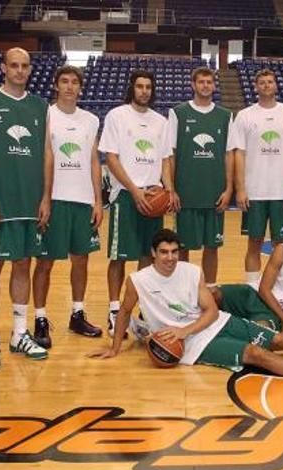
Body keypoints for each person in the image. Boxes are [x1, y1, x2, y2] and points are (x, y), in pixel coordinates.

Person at [93, 229, 283, 385]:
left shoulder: (191, 271)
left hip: (212, 323)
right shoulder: (138, 281)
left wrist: (185, 329)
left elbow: (211, 311)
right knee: (255, 353)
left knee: (277, 339)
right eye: (164, 252)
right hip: (193, 345)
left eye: (174, 252)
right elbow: (125, 313)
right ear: (153, 253)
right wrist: (115, 347)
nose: (169, 258)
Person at [0, 47, 51, 368]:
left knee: (23, 265)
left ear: (30, 70)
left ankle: (19, 332)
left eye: (24, 66)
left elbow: (47, 153)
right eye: (13, 65)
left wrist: (46, 197)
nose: (19, 70)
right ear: (3, 68)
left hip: (31, 202)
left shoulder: (40, 106)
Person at [30, 65, 104, 348]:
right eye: (65, 81)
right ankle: (40, 318)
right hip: (55, 199)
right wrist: (44, 198)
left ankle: (77, 313)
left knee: (81, 260)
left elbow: (94, 162)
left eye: (75, 82)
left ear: (80, 88)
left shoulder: (90, 120)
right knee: (45, 262)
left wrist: (98, 201)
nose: (70, 86)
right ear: (55, 85)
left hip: (83, 199)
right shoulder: (45, 116)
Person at [99, 70, 169, 336]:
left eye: (148, 87)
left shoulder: (161, 121)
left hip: (154, 195)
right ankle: (115, 309)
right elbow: (111, 158)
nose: (144, 91)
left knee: (146, 256)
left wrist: (168, 188)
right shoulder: (117, 116)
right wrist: (133, 189)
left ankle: (141, 309)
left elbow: (165, 159)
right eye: (139, 86)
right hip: (126, 196)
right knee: (118, 256)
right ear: (132, 89)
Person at [229, 68, 283, 285]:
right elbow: (239, 154)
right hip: (254, 192)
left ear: (276, 85)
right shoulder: (245, 116)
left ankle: (281, 289)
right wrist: (241, 188)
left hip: (282, 192)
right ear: (256, 87)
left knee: (281, 247)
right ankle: (252, 290)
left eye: (270, 81)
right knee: (253, 244)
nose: (266, 85)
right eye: (262, 82)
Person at [161, 67, 233, 287]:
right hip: (186, 193)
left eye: (209, 82)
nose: (205, 85)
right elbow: (168, 154)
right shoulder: (178, 113)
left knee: (212, 247)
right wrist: (171, 189)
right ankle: (183, 289)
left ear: (214, 85)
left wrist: (229, 188)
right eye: (201, 82)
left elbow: (229, 154)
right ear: (193, 85)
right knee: (183, 248)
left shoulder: (225, 115)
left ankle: (210, 289)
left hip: (215, 194)